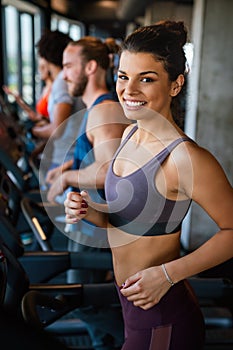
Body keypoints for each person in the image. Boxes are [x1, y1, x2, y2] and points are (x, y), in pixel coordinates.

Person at [64, 21, 233, 350]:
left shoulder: (186, 158)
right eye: (124, 76)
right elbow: (124, 221)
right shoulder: (129, 134)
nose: (129, 90)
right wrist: (89, 209)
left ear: (175, 85)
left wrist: (169, 274)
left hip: (163, 320)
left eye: (147, 79)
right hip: (133, 313)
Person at [45, 36, 129, 350]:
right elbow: (99, 155)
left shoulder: (103, 111)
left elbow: (109, 171)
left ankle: (135, 341)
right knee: (85, 297)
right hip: (89, 218)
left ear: (90, 67)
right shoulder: (96, 109)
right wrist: (70, 162)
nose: (64, 75)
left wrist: (67, 176)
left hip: (97, 222)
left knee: (82, 300)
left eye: (69, 66)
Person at [32, 30, 85, 180]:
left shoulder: (61, 82)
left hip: (64, 158)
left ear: (45, 58)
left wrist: (35, 131)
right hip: (66, 154)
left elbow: (57, 129)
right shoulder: (62, 80)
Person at [2, 56, 52, 122]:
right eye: (39, 66)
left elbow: (48, 120)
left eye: (43, 67)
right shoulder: (45, 88)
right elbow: (36, 115)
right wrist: (17, 98)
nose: (40, 69)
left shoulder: (53, 90)